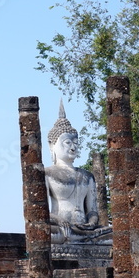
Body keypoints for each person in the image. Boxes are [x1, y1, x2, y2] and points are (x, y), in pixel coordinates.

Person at [45, 102, 112, 244]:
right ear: (52, 145)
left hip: (85, 229)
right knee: (48, 233)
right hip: (60, 228)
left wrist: (92, 222)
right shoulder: (47, 173)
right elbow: (43, 212)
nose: (73, 147)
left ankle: (86, 237)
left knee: (113, 235)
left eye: (76, 142)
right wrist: (59, 220)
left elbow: (92, 211)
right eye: (68, 142)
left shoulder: (87, 176)